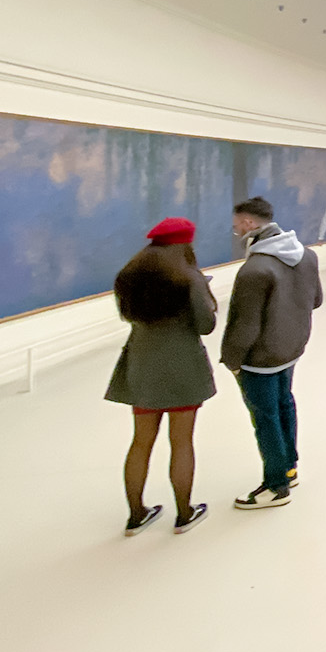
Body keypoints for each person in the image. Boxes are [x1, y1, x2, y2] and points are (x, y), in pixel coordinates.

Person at [105, 217, 217, 535]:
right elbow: (205, 326)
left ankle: (136, 515)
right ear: (185, 244)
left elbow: (127, 315)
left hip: (142, 366)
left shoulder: (129, 275)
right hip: (182, 368)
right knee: (181, 442)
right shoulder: (189, 278)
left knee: (140, 442)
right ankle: (184, 513)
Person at [222, 196, 322, 509]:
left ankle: (276, 486)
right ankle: (289, 467)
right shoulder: (307, 256)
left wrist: (232, 360)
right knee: (284, 404)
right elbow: (316, 300)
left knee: (265, 418)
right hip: (291, 348)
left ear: (249, 223)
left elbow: (245, 326)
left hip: (260, 358)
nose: (236, 230)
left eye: (237, 225)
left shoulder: (254, 269)